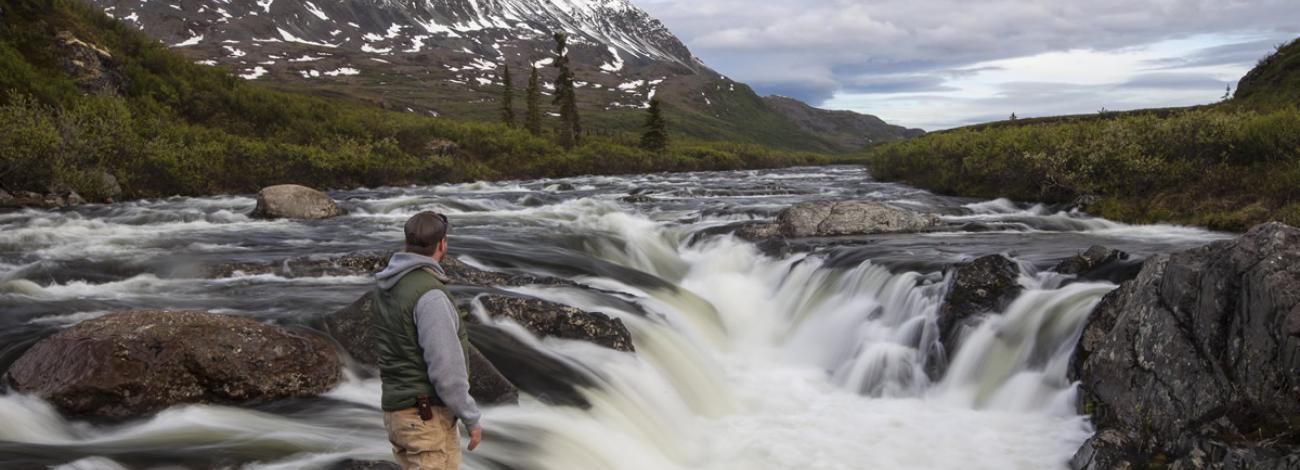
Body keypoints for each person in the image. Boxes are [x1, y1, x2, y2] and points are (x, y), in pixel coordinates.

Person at [372, 211, 483, 469]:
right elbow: (446, 368)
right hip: (425, 418)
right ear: (442, 244)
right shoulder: (430, 296)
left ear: (407, 243)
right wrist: (471, 417)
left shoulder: (386, 286)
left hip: (397, 415)